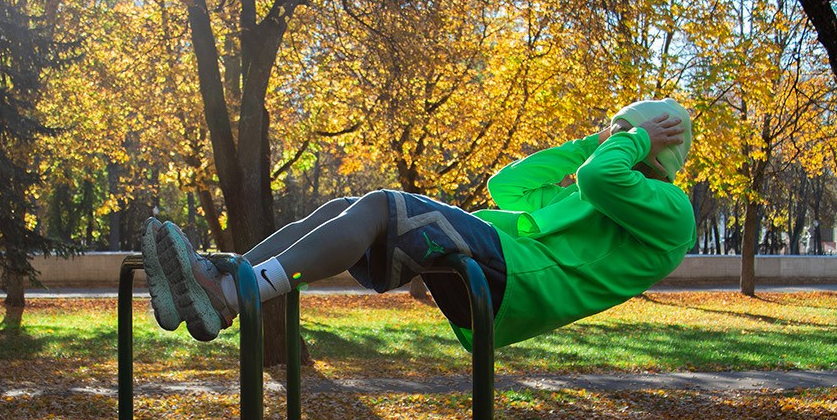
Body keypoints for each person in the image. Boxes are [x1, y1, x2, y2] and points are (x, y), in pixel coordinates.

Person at [141, 99, 696, 351]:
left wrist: (630, 140)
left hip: (516, 282)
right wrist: (586, 143)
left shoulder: (670, 211)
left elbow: (600, 178)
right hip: (504, 273)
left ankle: (233, 294)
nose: (613, 138)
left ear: (652, 147)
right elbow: (507, 187)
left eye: (625, 133)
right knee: (344, 208)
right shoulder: (593, 196)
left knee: (382, 205)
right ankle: (226, 281)